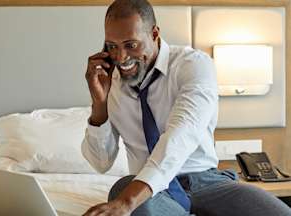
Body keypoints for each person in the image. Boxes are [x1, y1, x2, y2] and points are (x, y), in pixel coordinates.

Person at [81, 0, 291, 215]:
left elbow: (181, 136)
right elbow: (101, 164)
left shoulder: (194, 65)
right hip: (150, 193)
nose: (120, 58)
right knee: (124, 189)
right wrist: (100, 105)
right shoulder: (111, 81)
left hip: (209, 184)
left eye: (131, 45)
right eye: (112, 46)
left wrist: (127, 201)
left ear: (154, 34)